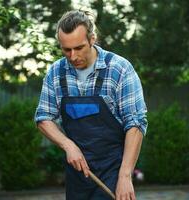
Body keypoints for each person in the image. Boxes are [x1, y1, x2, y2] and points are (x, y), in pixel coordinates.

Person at [35, 10, 148, 200]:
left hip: (114, 171)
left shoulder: (119, 69)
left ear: (92, 39)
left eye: (79, 48)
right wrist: (68, 145)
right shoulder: (56, 73)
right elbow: (43, 117)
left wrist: (125, 176)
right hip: (77, 175)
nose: (72, 56)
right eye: (66, 50)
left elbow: (136, 123)